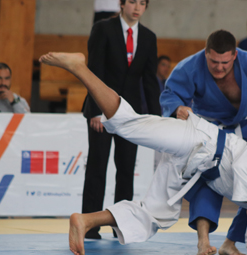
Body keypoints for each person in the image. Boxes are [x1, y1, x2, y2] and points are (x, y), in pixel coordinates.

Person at [39, 51, 247, 255]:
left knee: (158, 216)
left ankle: (85, 220)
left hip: (193, 169)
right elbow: (244, 166)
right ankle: (79, 67)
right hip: (197, 140)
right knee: (129, 125)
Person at [160, 30, 247, 255]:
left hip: (245, 127)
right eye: (213, 62)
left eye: (224, 62)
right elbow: (170, 94)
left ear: (235, 56)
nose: (219, 68)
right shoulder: (190, 66)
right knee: (206, 184)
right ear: (205, 53)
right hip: (208, 131)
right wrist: (177, 108)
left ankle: (230, 244)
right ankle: (203, 241)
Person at [81, 0, 161, 239]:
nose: (137, 7)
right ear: (122, 4)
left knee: (126, 171)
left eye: (142, 3)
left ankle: (121, 226)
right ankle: (90, 226)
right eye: (133, 2)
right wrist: (95, 110)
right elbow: (93, 70)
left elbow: (149, 81)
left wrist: (156, 120)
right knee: (97, 168)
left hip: (130, 115)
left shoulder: (148, 37)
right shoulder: (103, 28)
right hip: (101, 112)